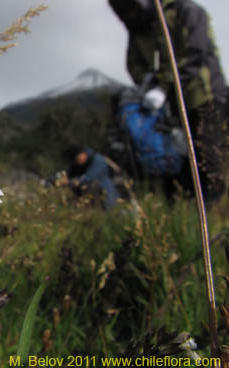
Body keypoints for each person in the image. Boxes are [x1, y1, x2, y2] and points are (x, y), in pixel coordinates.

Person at [108, 0, 227, 202]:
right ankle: (183, 212)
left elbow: (194, 54)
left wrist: (164, 87)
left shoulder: (185, 11)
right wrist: (149, 82)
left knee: (206, 156)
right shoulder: (139, 27)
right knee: (177, 158)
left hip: (203, 95)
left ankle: (212, 212)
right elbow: (134, 63)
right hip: (168, 106)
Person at [56, 145, 121, 210]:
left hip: (107, 195)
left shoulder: (98, 161)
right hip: (92, 197)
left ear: (82, 154)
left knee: (93, 184)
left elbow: (89, 178)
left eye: (76, 160)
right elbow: (71, 173)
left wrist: (69, 182)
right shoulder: (82, 162)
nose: (77, 163)